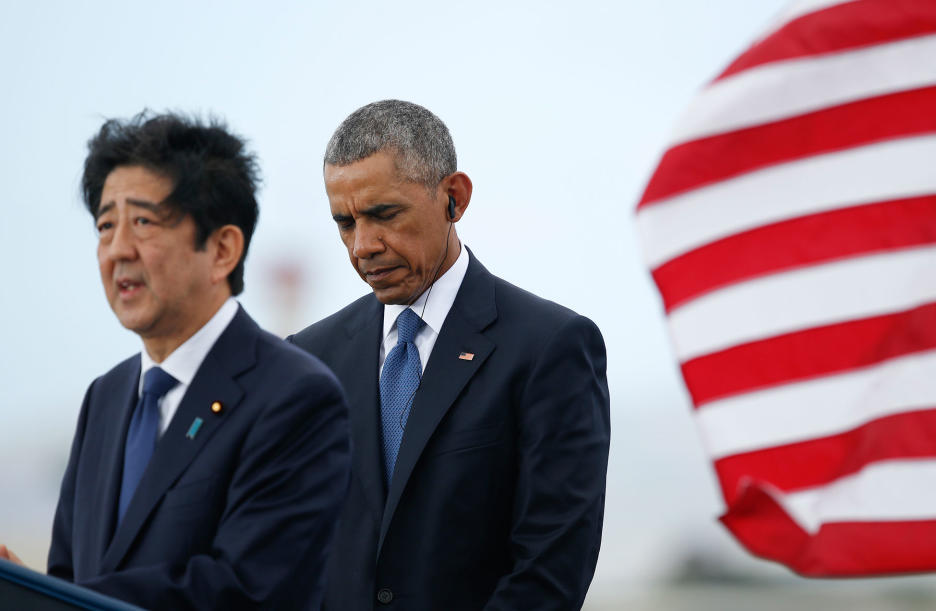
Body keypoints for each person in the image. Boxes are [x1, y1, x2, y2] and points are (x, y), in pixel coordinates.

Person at [1, 112, 351, 609]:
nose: (117, 249)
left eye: (143, 222)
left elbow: (247, 590)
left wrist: (58, 597)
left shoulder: (295, 395)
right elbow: (67, 577)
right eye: (105, 225)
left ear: (223, 249)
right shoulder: (106, 396)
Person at [289, 100, 610, 610]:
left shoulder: (550, 346)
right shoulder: (307, 361)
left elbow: (551, 569)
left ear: (453, 199)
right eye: (345, 224)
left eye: (383, 214)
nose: (362, 246)